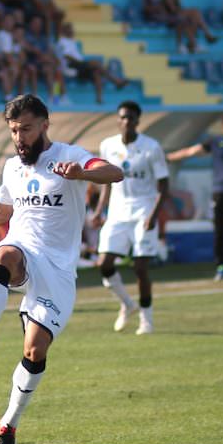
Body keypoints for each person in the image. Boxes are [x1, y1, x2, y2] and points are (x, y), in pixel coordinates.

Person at [0, 95, 123, 444]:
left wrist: (82, 173)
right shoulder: (11, 168)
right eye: (13, 131)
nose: (19, 138)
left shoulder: (71, 155)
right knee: (5, 252)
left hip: (58, 269)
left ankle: (9, 423)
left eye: (26, 129)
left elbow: (114, 173)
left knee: (35, 350)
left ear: (44, 125)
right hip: (23, 250)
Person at [92, 101, 170, 334]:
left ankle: (147, 320)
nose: (126, 121)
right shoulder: (107, 146)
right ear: (118, 120)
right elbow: (106, 180)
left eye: (131, 118)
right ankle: (127, 303)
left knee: (140, 267)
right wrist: (99, 211)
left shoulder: (151, 147)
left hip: (144, 210)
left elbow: (164, 185)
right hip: (117, 212)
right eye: (123, 117)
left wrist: (154, 215)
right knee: (104, 264)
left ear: (138, 121)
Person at [167, 112, 223, 281]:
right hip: (221, 193)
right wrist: (171, 157)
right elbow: (192, 151)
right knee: (220, 231)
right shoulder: (215, 143)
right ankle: (221, 266)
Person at [55, 22, 128, 105]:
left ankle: (99, 99)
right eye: (69, 29)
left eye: (72, 29)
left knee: (96, 72)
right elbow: (67, 56)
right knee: (96, 63)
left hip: (78, 67)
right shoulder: (62, 41)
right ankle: (116, 81)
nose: (72, 31)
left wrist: (82, 64)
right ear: (64, 31)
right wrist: (81, 63)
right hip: (71, 66)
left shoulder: (71, 41)